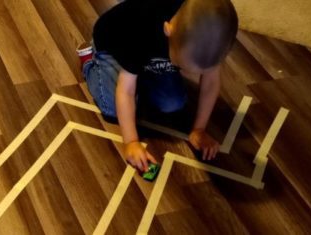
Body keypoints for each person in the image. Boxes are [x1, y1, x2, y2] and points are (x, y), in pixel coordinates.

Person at [78, 0, 238, 172]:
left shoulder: (210, 39)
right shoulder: (142, 27)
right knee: (112, 107)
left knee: (173, 103)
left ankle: (142, 71)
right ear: (168, 30)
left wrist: (199, 129)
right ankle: (89, 60)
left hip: (151, 56)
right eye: (183, 65)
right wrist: (131, 142)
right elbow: (126, 90)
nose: (187, 71)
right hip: (113, 46)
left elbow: (211, 82)